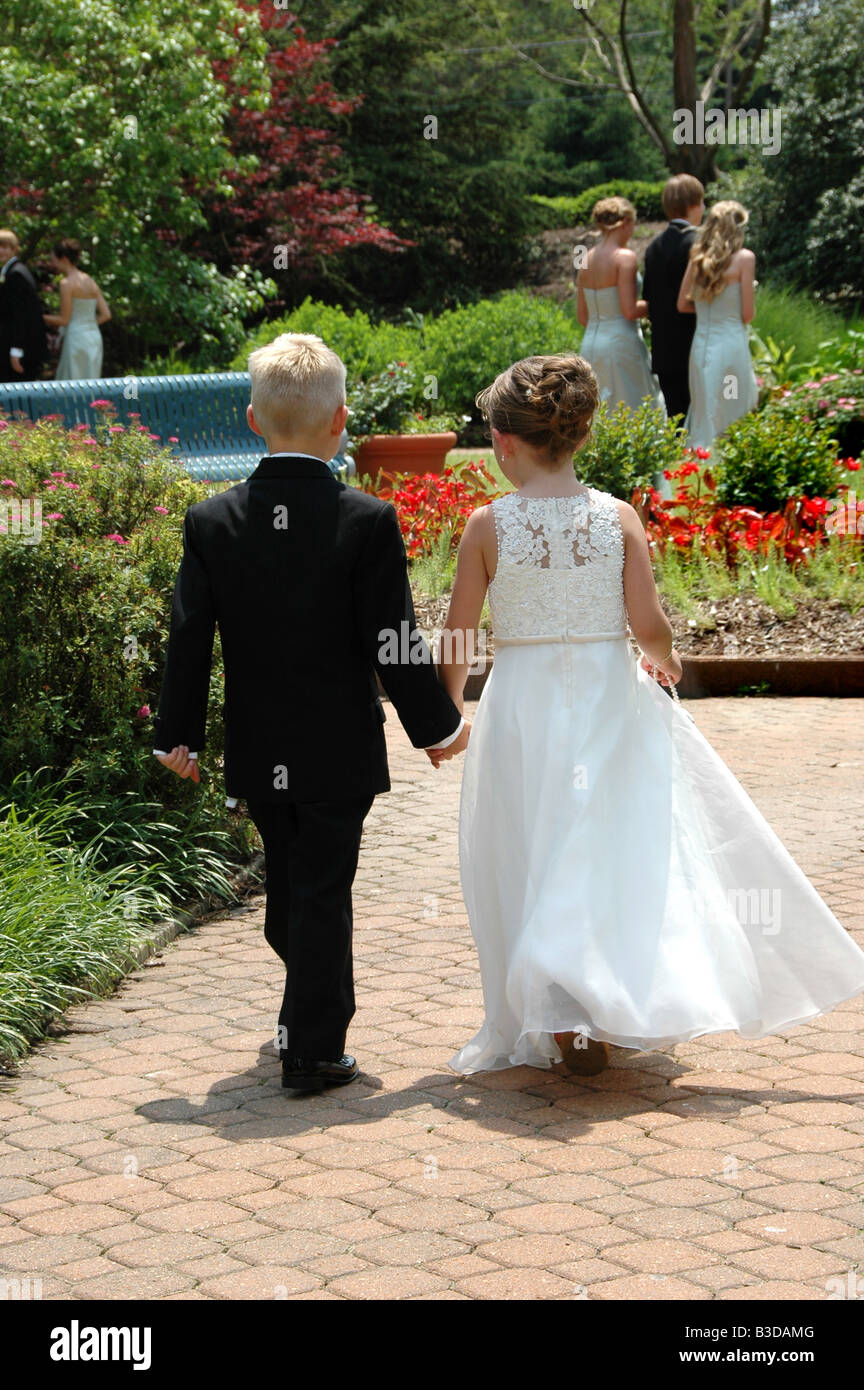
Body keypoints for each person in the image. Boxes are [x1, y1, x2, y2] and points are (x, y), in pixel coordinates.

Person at [435, 353, 864, 1076]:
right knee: (602, 843)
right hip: (605, 697)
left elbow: (459, 634)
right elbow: (650, 620)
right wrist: (664, 663)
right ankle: (590, 992)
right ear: (581, 434)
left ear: (503, 443)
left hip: (522, 707)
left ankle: (562, 997)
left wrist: (447, 713)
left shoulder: (488, 526)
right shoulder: (618, 518)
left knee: (532, 842)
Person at [152, 333, 470, 1093]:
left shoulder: (213, 521)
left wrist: (178, 733)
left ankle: (308, 1011)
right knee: (319, 889)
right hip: (338, 748)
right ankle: (313, 1050)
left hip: (260, 747)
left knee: (298, 889)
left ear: (253, 418)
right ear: (342, 421)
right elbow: (392, 638)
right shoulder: (366, 519)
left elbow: (189, 636)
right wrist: (438, 726)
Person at [677, 199, 759, 451]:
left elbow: (682, 304)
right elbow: (747, 314)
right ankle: (731, 451)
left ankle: (703, 452)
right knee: (732, 402)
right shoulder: (745, 258)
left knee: (706, 403)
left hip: (702, 343)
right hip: (732, 341)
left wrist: (705, 310)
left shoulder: (697, 257)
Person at [576, 196, 664, 415]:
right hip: (621, 343)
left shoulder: (585, 258)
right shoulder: (624, 257)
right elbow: (630, 310)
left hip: (591, 344)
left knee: (601, 410)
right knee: (634, 406)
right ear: (625, 222)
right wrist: (661, 305)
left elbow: (582, 316)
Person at [642, 174, 705, 420]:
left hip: (664, 349)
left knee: (676, 420)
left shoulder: (652, 247)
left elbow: (648, 298)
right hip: (695, 345)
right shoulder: (699, 244)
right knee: (700, 417)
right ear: (693, 205)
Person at [44, 238, 110, 379]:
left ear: (65, 259)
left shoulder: (66, 284)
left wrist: (40, 317)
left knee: (72, 381)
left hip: (76, 338)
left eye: (55, 259)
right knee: (90, 381)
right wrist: (88, 324)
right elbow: (106, 315)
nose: (53, 263)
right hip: (94, 337)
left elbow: (64, 319)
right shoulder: (89, 280)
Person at [0, 229, 47, 382]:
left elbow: (21, 316)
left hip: (20, 351)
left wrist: (16, 351)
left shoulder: (16, 274)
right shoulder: (10, 271)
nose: (1, 250)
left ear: (14, 249)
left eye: (5, 247)